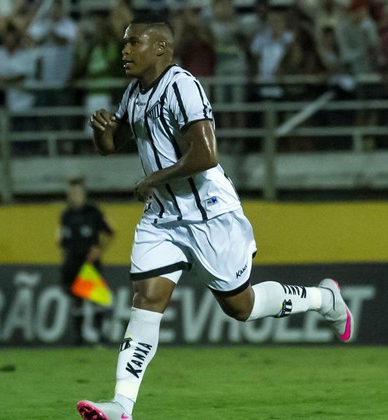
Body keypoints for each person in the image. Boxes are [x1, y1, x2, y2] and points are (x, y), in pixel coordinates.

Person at [76, 14, 354, 420]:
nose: (124, 50)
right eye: (124, 43)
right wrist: (101, 131)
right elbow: (110, 145)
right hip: (164, 217)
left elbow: (206, 155)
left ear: (160, 48)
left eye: (133, 42)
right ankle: (121, 405)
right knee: (147, 300)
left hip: (210, 215)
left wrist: (154, 177)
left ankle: (324, 299)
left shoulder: (183, 86)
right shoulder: (134, 92)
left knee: (240, 307)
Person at [58, 177, 114, 345]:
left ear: (83, 193)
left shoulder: (92, 212)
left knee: (96, 298)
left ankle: (100, 335)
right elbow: (62, 240)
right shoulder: (66, 214)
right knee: (77, 300)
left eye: (77, 192)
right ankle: (79, 338)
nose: (74, 195)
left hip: (89, 262)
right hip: (73, 262)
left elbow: (110, 232)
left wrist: (99, 249)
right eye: (71, 192)